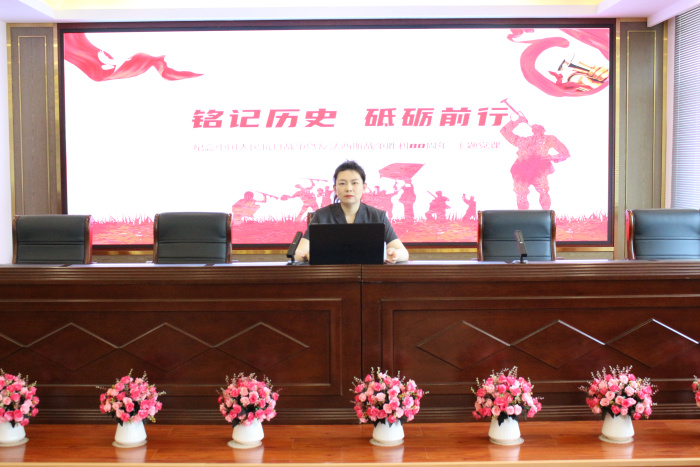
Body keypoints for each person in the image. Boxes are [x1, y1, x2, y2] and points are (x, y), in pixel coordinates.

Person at [294, 160, 409, 264]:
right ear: (335, 189)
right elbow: (298, 253)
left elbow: (404, 253)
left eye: (354, 183)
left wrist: (395, 254)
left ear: (364, 187)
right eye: (342, 183)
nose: (349, 188)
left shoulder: (378, 216)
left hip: (368, 277)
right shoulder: (321, 216)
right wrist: (308, 255)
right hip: (331, 276)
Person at [500, 114, 570, 210]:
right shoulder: (524, 141)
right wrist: (517, 121)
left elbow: (565, 153)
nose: (537, 131)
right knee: (521, 193)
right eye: (535, 129)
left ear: (543, 130)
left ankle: (546, 215)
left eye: (539, 129)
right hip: (522, 171)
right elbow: (504, 132)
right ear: (532, 130)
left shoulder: (549, 139)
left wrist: (551, 157)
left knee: (543, 191)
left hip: (539, 170)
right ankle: (522, 216)